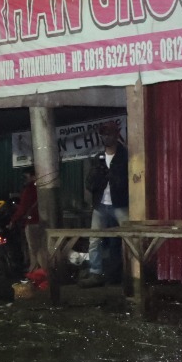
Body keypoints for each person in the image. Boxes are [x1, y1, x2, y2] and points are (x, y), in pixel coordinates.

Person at [81, 122, 129, 286]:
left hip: (120, 205)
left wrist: (113, 176)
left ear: (116, 135)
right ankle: (96, 273)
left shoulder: (125, 156)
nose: (106, 137)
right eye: (103, 134)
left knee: (128, 240)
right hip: (101, 206)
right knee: (94, 240)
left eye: (109, 134)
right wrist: (97, 174)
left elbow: (128, 183)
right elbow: (89, 185)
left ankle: (130, 273)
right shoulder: (98, 158)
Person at [6, 167, 46, 275]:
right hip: (43, 221)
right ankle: (35, 272)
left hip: (33, 222)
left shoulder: (30, 189)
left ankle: (42, 273)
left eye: (26, 176)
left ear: (33, 176)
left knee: (35, 250)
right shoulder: (43, 187)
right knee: (41, 248)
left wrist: (13, 220)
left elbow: (23, 208)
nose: (24, 179)